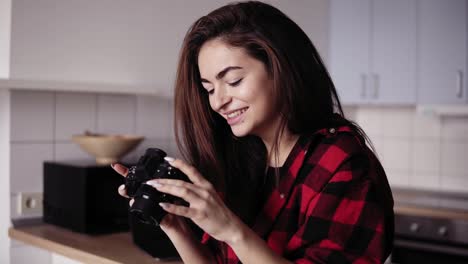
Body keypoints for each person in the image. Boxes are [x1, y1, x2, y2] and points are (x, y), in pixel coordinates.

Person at [112, 1, 394, 263]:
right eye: (209, 88)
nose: (218, 101)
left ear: (281, 67)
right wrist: (174, 225)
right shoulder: (243, 158)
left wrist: (232, 230)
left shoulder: (341, 162)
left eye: (233, 81)